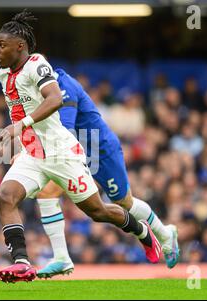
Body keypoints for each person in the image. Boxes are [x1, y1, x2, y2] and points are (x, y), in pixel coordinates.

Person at [0, 10, 161, 283]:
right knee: (5, 197)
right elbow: (20, 108)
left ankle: (141, 231)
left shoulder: (37, 64)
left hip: (62, 153)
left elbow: (55, 98)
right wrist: (20, 142)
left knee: (98, 211)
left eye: (2, 44)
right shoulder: (4, 75)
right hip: (34, 155)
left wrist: (21, 126)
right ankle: (22, 262)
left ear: (19, 46)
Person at [36, 69, 180, 279]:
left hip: (99, 149)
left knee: (124, 202)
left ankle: (165, 234)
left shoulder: (65, 86)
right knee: (47, 192)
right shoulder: (35, 88)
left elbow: (64, 130)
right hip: (72, 151)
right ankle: (61, 257)